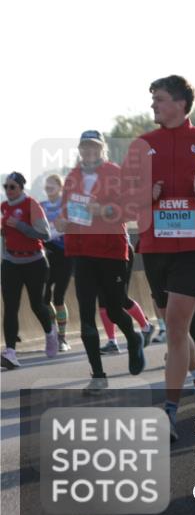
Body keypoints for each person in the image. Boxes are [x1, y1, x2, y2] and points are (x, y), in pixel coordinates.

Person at [121, 74, 195, 441]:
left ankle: (169, 412)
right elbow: (125, 201)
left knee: (177, 326)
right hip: (156, 247)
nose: (153, 106)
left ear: (179, 102)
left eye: (159, 99)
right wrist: (148, 194)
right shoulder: (142, 145)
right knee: (176, 328)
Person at [59, 131, 146, 392]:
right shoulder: (73, 176)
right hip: (81, 251)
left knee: (115, 307)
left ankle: (133, 338)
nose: (89, 151)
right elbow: (65, 210)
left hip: (111, 250)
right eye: (84, 147)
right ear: (80, 150)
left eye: (94, 147)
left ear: (102, 149)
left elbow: (130, 209)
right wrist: (61, 221)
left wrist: (104, 210)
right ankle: (98, 375)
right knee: (87, 313)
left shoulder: (114, 173)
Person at [2, 172, 57, 367]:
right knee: (10, 307)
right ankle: (10, 353)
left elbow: (45, 234)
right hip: (11, 263)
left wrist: (20, 226)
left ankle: (50, 332)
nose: (8, 191)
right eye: (5, 187)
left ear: (21, 188)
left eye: (12, 187)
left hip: (34, 262)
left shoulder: (31, 205)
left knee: (36, 304)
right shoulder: (3, 207)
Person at [40, 174, 72, 351]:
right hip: (48, 254)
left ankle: (62, 338)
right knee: (44, 298)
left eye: (51, 187)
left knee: (59, 297)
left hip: (66, 255)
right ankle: (52, 332)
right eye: (46, 188)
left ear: (60, 188)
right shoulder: (41, 206)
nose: (48, 190)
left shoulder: (66, 206)